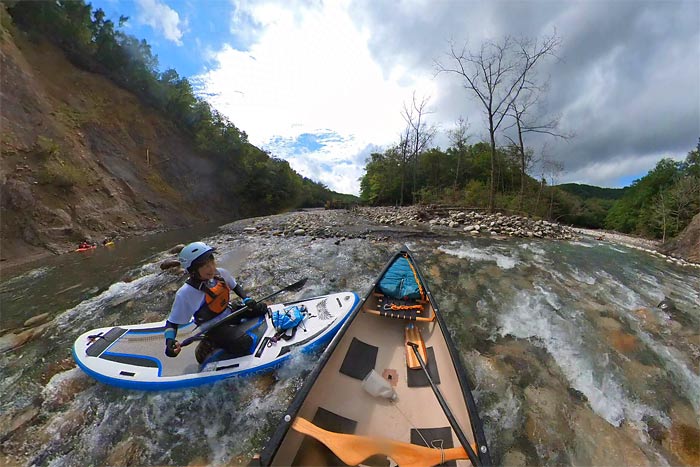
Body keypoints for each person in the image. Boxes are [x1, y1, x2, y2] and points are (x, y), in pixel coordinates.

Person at [164, 241, 269, 361]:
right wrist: (169, 341)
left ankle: (232, 328)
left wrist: (246, 298)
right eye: (204, 266)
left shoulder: (220, 273)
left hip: (230, 312)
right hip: (214, 327)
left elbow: (235, 287)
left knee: (261, 308)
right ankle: (209, 342)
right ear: (192, 271)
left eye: (212, 262)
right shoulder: (186, 293)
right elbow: (172, 323)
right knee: (244, 343)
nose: (211, 268)